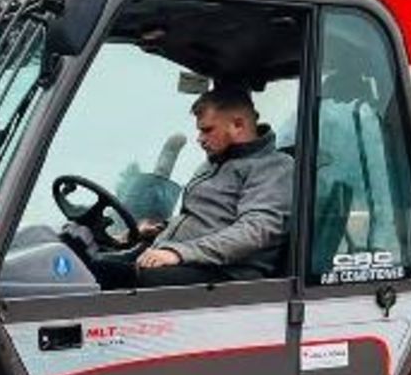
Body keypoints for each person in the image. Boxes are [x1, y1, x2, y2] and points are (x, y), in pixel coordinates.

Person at [90, 86, 293, 288]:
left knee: (104, 277)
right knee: (85, 262)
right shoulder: (214, 162)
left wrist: (178, 253)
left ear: (238, 124)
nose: (199, 139)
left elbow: (255, 231)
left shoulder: (274, 167)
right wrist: (159, 229)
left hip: (226, 275)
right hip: (184, 258)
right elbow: (204, 219)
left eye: (207, 130)